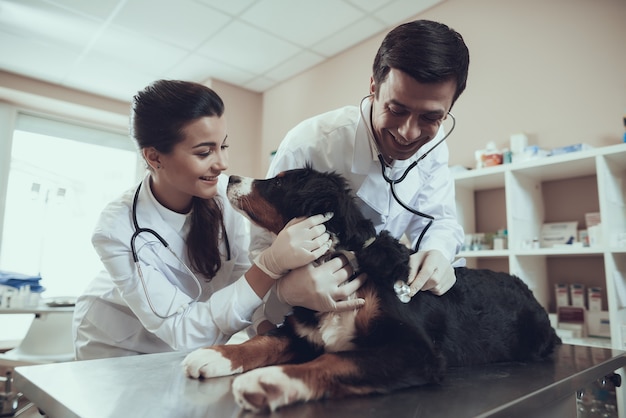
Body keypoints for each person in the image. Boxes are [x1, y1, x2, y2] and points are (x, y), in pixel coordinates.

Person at [72, 80, 363, 360]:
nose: (222, 164)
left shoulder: (225, 197)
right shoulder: (117, 229)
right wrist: (271, 264)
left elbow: (243, 291)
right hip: (115, 345)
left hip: (192, 344)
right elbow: (183, 329)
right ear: (154, 157)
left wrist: (273, 339)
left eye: (223, 146)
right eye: (204, 152)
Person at [251, 19, 469, 326]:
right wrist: (286, 291)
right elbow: (261, 248)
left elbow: (440, 220)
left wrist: (439, 252)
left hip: (378, 313)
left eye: (431, 117)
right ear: (373, 88)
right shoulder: (310, 145)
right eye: (397, 110)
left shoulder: (433, 148)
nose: (409, 132)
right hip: (305, 316)